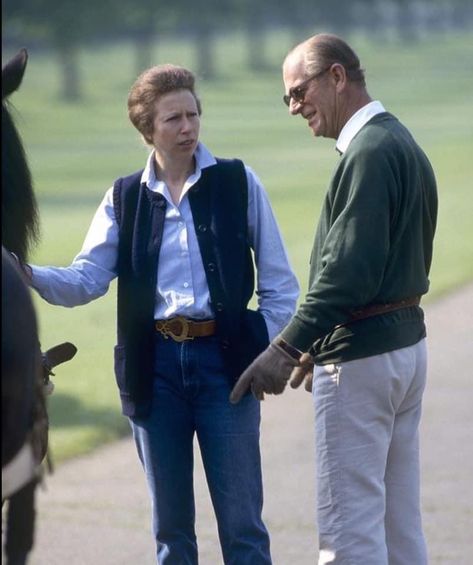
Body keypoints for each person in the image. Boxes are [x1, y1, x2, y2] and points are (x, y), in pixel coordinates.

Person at [23, 64, 299, 564]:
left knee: (243, 529)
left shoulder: (239, 182)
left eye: (193, 114)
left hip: (228, 370)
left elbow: (281, 287)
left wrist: (268, 350)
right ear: (146, 128)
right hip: (156, 374)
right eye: (173, 118)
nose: (188, 127)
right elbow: (86, 279)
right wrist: (24, 272)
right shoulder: (124, 198)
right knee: (171, 534)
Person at [230, 33, 438, 565]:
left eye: (299, 92)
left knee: (349, 533)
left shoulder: (369, 152)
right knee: (398, 528)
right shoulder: (401, 141)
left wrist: (286, 345)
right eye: (288, 98)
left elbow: (346, 273)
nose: (295, 107)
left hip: (364, 361)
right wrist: (316, 343)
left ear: (338, 77)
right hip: (402, 350)